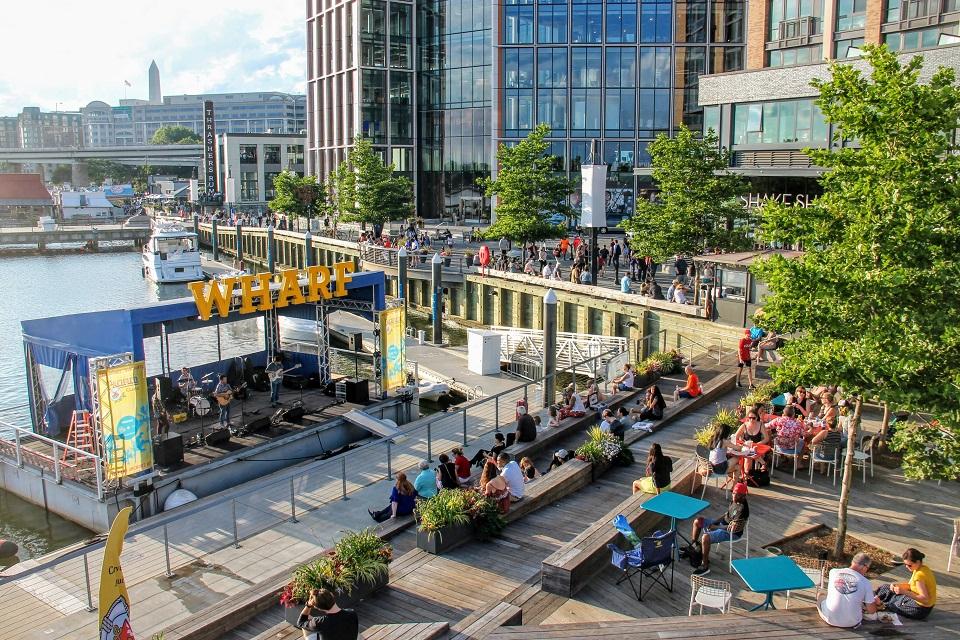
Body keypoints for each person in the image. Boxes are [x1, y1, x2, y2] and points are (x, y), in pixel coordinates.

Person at [690, 483, 750, 576]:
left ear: (743, 496)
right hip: (723, 525)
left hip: (732, 532)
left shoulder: (742, 509)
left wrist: (716, 527)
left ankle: (704, 565)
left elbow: (733, 528)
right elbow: (727, 514)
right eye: (733, 493)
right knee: (698, 521)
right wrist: (715, 522)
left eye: (737, 494)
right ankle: (693, 547)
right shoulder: (735, 500)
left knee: (705, 537)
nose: (734, 495)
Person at [817, 552, 878, 628]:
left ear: (852, 562)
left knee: (820, 595)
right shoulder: (866, 582)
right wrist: (875, 603)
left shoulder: (833, 572)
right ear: (864, 567)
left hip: (829, 618)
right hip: (852, 622)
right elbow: (872, 611)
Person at [875, 548, 936, 619]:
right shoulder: (922, 568)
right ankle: (879, 599)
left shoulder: (920, 576)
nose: (907, 567)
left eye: (909, 565)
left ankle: (880, 603)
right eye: (905, 565)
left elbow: (925, 599)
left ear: (918, 562)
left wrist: (903, 591)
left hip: (921, 609)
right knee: (886, 587)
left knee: (893, 605)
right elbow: (911, 586)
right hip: (918, 601)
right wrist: (897, 586)